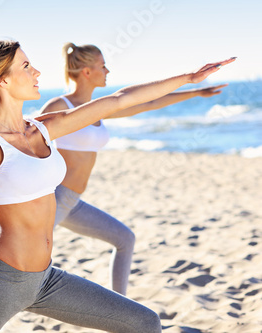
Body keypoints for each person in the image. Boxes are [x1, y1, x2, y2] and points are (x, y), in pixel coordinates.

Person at [0, 40, 234, 332]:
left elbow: (118, 101)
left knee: (143, 322)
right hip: (0, 280)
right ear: (3, 78)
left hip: (47, 279)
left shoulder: (43, 127)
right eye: (26, 65)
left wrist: (189, 78)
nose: (37, 71)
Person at [40, 42, 229, 295]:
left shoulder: (96, 110)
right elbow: (27, 141)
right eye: (102, 65)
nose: (107, 71)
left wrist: (195, 93)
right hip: (53, 199)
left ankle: (121, 306)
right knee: (28, 269)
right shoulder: (58, 106)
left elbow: (148, 104)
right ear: (87, 72)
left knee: (124, 239)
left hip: (72, 202)